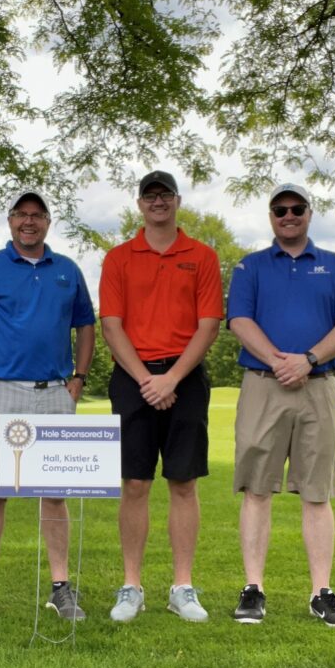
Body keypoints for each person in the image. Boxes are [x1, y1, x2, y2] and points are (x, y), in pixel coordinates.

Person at [0, 190, 95, 623]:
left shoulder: (67, 270)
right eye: (21, 215)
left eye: (37, 215)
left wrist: (78, 379)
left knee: (54, 494)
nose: (28, 222)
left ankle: (60, 588)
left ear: (48, 222)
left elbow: (85, 326)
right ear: (10, 221)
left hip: (53, 391)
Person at [227, 183, 335, 628]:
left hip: (318, 385)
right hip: (263, 385)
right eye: (280, 209)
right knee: (256, 489)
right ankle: (253, 590)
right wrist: (278, 361)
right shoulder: (250, 266)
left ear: (309, 213)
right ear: (271, 215)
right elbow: (239, 320)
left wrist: (307, 361)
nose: (288, 215)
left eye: (296, 208)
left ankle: (322, 592)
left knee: (317, 491)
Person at [99, 171, 223, 623]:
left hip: (184, 377)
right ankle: (131, 586)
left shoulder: (202, 256)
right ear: (140, 204)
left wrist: (171, 378)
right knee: (134, 483)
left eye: (164, 195)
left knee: (183, 483)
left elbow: (208, 324)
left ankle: (182, 587)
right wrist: (148, 380)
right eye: (150, 196)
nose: (158, 203)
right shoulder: (118, 258)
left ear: (177, 201)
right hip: (133, 378)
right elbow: (111, 325)